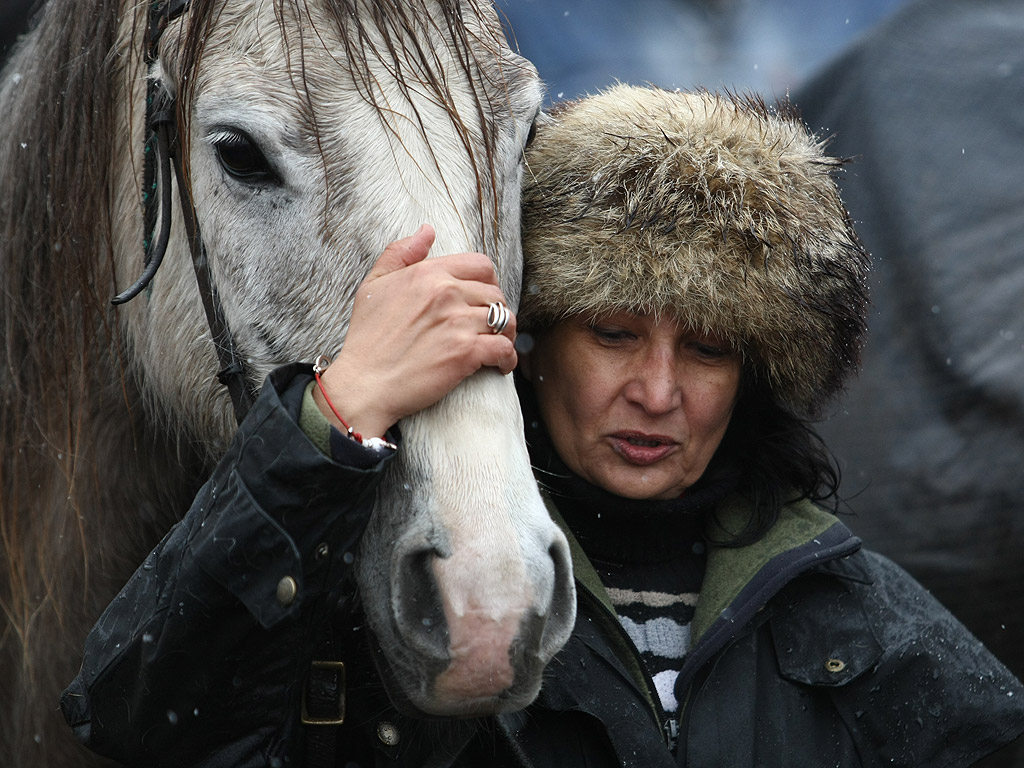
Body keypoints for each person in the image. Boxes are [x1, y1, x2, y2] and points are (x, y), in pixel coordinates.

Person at [62, 85, 1024, 767]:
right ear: (530, 339)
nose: (657, 392)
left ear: (759, 374)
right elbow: (138, 713)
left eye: (708, 351)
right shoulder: (425, 589)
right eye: (614, 333)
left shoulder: (854, 617)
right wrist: (330, 421)